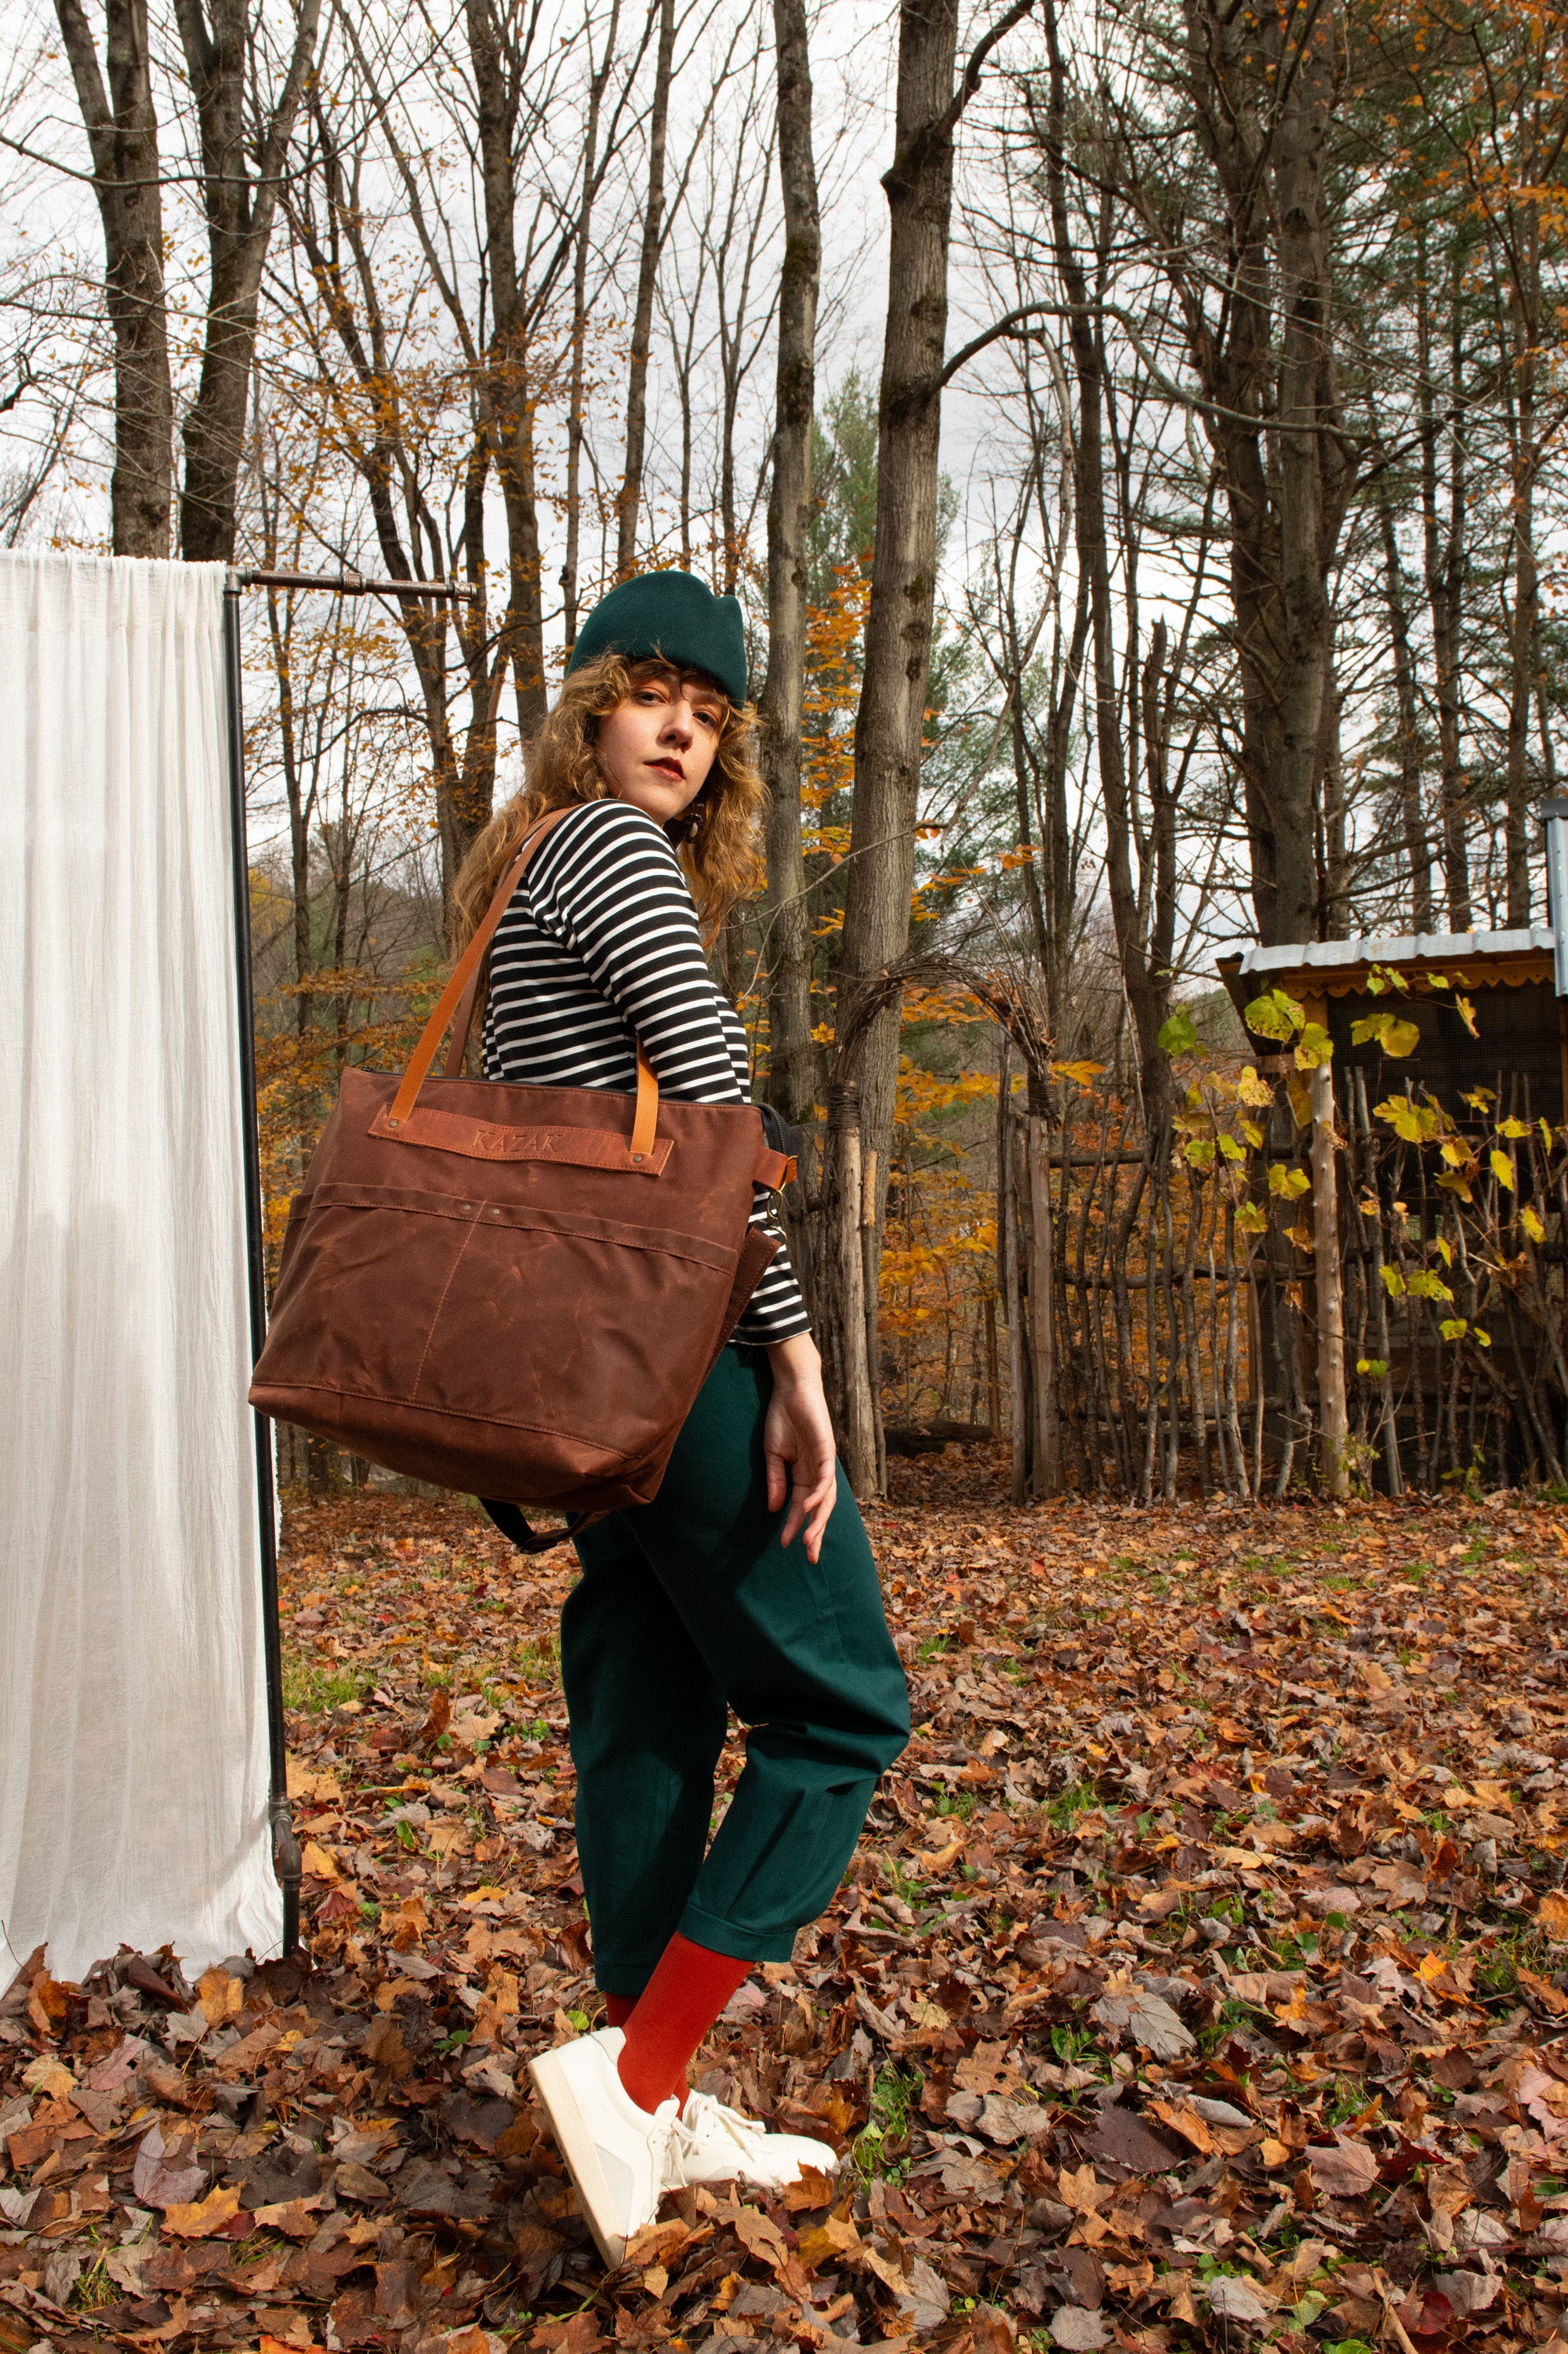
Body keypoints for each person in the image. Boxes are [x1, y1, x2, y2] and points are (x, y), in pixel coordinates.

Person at [450, 571, 910, 2267]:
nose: (682, 734)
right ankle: (640, 2077)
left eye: (709, 716)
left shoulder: (524, 869)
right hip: (674, 1346)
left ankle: (639, 2100)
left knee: (646, 1688)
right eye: (653, 694)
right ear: (590, 703)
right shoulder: (617, 855)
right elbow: (714, 1118)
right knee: (843, 1704)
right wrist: (791, 1359)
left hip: (578, 1363)